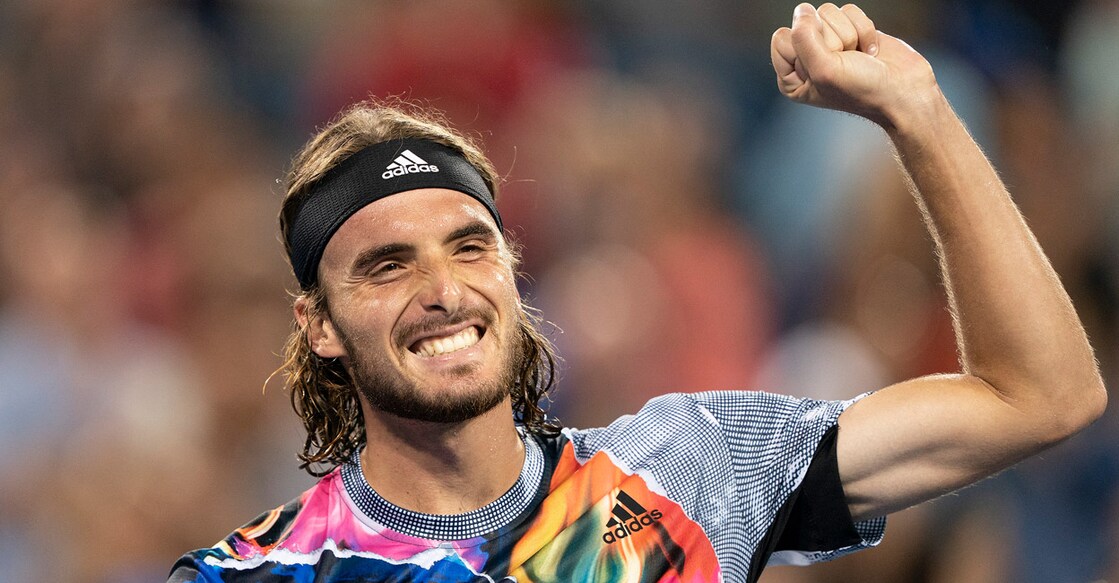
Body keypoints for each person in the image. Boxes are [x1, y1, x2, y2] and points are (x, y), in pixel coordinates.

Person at [168, 4, 1106, 582]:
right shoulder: (256, 574)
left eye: (469, 245)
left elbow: (1041, 395)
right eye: (386, 265)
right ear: (318, 325)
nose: (444, 290)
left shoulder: (691, 467)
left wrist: (917, 111)